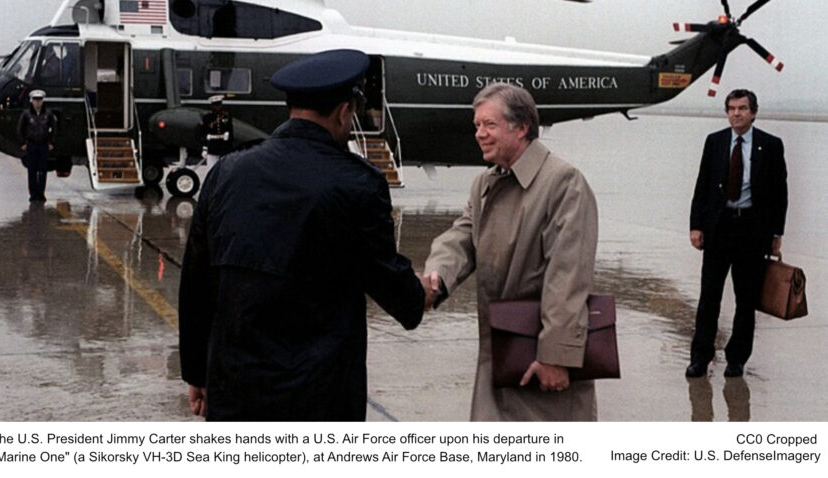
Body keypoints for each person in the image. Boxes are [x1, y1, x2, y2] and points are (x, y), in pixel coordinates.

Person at [178, 50, 430, 421]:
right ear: (345, 111)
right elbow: (394, 288)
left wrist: (196, 373)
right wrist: (425, 292)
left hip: (237, 391)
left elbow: (197, 283)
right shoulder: (358, 183)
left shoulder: (227, 173)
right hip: (319, 397)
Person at [422, 83, 599, 421]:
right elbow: (461, 237)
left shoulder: (563, 182)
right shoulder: (485, 184)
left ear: (521, 128)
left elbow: (568, 275)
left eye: (490, 125)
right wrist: (435, 279)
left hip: (540, 356)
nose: (480, 134)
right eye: (477, 126)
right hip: (500, 351)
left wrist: (556, 356)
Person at [686, 89, 788, 378]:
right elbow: (702, 186)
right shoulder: (715, 142)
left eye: (742, 108)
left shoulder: (770, 145)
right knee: (709, 298)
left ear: (753, 112)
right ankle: (700, 357)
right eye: (731, 108)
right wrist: (696, 225)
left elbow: (780, 193)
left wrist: (776, 233)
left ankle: (736, 359)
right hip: (718, 228)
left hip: (752, 232)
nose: (736, 114)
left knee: (746, 301)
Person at [17, 89, 56, 202]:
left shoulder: (48, 114)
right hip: (32, 145)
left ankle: (41, 193)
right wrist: (23, 143)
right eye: (35, 100)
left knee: (43, 170)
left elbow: (54, 128)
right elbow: (20, 129)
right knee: (32, 170)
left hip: (43, 145)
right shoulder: (26, 114)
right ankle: (33, 194)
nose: (37, 102)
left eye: (39, 100)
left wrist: (51, 142)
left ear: (42, 101)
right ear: (32, 101)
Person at [198, 95, 233, 168]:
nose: (218, 107)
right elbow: (202, 133)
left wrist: (229, 146)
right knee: (212, 169)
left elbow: (230, 132)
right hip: (212, 147)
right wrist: (204, 148)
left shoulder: (226, 116)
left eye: (219, 104)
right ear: (212, 106)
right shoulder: (207, 118)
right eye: (215, 105)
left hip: (224, 147)